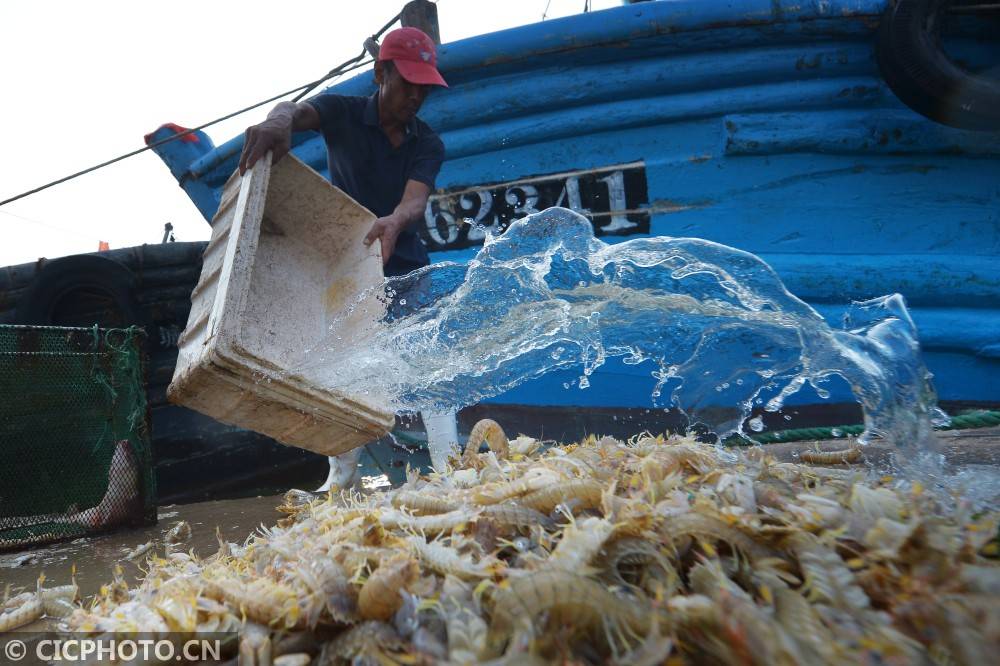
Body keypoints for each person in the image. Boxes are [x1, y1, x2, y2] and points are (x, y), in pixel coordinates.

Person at [239, 26, 458, 488]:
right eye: (407, 83)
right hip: (348, 263)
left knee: (430, 361)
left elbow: (415, 201)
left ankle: (451, 470)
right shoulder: (341, 112)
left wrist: (395, 222)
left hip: (406, 267)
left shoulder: (428, 143)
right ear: (382, 72)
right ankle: (341, 478)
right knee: (346, 369)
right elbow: (294, 111)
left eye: (425, 88)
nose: (416, 96)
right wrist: (278, 121)